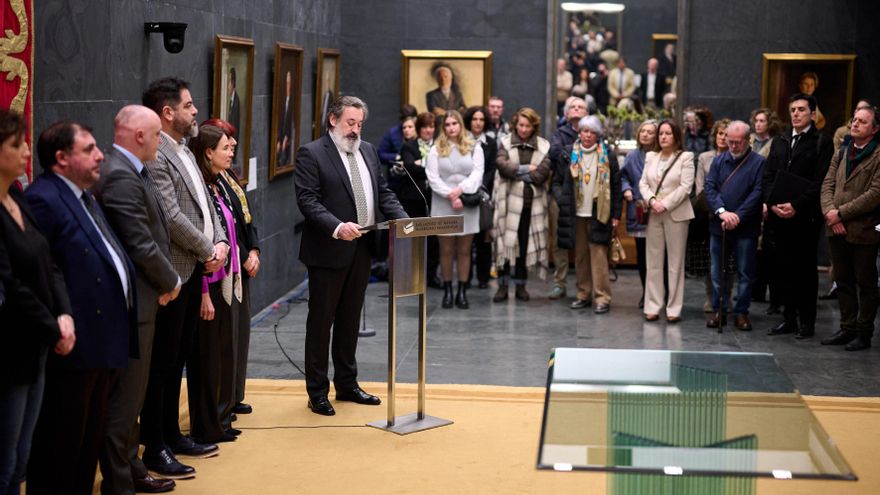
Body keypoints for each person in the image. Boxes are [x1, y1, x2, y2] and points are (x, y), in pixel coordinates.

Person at [25, 120, 137, 495]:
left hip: (103, 340)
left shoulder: (84, 195)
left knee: (87, 445)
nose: (100, 155)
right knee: (62, 447)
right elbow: (43, 270)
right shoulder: (44, 198)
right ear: (61, 158)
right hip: (75, 343)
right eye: (88, 149)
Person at [294, 95, 407, 416]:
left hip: (362, 247)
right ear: (333, 120)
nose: (356, 130)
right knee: (321, 322)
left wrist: (401, 218)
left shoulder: (368, 151)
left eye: (359, 124)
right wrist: (337, 226)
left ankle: (347, 384)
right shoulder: (312, 153)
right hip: (328, 249)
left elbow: (381, 191)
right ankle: (317, 391)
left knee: (349, 320)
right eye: (350, 123)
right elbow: (308, 200)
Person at [141, 77, 228, 479]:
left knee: (178, 360)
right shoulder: (157, 153)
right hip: (175, 269)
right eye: (189, 106)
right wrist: (208, 249)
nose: (196, 112)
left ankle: (174, 435)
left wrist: (222, 241)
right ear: (168, 112)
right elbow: (170, 214)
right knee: (163, 363)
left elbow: (208, 201)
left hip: (194, 269)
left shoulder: (186, 151)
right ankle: (154, 444)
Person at [94, 105, 181, 494]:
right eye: (158, 135)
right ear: (140, 135)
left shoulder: (131, 170)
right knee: (125, 401)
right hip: (134, 303)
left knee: (134, 395)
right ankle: (120, 482)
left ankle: (131, 468)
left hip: (143, 299)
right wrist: (171, 279)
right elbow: (139, 243)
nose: (161, 142)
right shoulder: (119, 175)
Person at [0, 110, 74, 495]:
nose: (27, 151)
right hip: (10, 348)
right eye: (17, 145)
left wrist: (63, 314)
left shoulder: (17, 196)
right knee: (4, 459)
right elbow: (9, 283)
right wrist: (52, 323)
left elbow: (49, 262)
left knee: (21, 457)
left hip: (38, 344)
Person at [201, 117, 261, 425]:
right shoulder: (209, 182)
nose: (233, 145)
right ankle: (221, 405)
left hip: (239, 263)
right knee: (223, 341)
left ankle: (233, 397)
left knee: (240, 334)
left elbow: (245, 218)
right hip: (217, 272)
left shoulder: (228, 178)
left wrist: (254, 250)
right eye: (227, 141)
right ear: (208, 150)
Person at [186, 125, 242, 444]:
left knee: (220, 355)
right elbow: (199, 238)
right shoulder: (203, 187)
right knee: (205, 360)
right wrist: (204, 291)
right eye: (225, 147)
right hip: (206, 282)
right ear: (208, 152)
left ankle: (220, 418)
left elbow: (224, 227)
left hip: (224, 276)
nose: (231, 150)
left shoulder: (219, 183)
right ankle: (206, 425)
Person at [764, 93, 833, 339]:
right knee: (783, 269)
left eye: (801, 109)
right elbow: (769, 176)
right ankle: (789, 318)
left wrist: (796, 205)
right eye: (793, 109)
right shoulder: (780, 140)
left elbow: (820, 181)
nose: (795, 113)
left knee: (804, 271)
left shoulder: (821, 142)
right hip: (778, 216)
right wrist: (772, 203)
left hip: (804, 217)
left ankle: (807, 322)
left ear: (812, 114)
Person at [820, 105, 880, 351]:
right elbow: (827, 184)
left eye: (862, 122)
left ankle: (864, 332)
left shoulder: (877, 154)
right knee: (842, 279)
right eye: (854, 120)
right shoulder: (842, 150)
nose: (855, 124)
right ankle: (847, 327)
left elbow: (875, 194)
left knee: (865, 282)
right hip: (836, 227)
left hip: (864, 229)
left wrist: (840, 213)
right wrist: (829, 212)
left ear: (874, 129)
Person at [703, 121, 766, 331]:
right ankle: (719, 309)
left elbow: (757, 193)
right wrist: (723, 212)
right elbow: (709, 188)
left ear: (748, 140)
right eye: (730, 141)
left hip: (746, 227)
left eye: (738, 142)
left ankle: (741, 312)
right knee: (716, 271)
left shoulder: (758, 162)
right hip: (719, 226)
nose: (733, 145)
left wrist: (738, 215)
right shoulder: (719, 161)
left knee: (745, 272)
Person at [557, 115, 621, 313]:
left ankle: (602, 297)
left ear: (598, 135)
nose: (588, 135)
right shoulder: (568, 153)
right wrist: (562, 199)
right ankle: (583, 293)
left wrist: (616, 215)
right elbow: (557, 182)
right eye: (585, 131)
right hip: (575, 213)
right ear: (580, 132)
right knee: (581, 256)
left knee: (599, 255)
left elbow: (616, 187)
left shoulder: (607, 156)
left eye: (592, 132)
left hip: (599, 213)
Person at [426, 110, 484, 309]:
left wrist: (460, 191)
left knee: (465, 250)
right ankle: (448, 290)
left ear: (461, 125)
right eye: (448, 124)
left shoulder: (474, 146)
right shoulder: (436, 148)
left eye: (454, 123)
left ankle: (462, 291)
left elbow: (478, 173)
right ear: (444, 128)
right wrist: (451, 195)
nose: (451, 127)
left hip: (466, 202)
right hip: (443, 203)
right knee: (446, 250)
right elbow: (433, 178)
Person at [638, 119, 695, 322]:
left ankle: (673, 309)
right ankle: (652, 306)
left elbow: (686, 187)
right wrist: (653, 201)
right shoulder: (651, 156)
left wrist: (665, 204)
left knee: (675, 263)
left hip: (676, 214)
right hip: (654, 214)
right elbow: (643, 183)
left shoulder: (686, 157)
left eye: (668, 133)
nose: (663, 137)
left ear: (676, 136)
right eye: (661, 133)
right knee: (653, 262)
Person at [493, 107, 550, 303]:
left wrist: (516, 171)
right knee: (505, 244)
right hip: (507, 204)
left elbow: (541, 174)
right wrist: (526, 169)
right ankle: (502, 285)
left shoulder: (543, 146)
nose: (524, 129)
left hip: (531, 205)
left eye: (527, 126)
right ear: (515, 125)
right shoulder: (505, 143)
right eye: (521, 125)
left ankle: (520, 286)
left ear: (534, 126)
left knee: (524, 246)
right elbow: (501, 166)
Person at [548, 98, 588, 300]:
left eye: (581, 107)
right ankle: (559, 282)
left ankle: (584, 285)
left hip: (587, 195)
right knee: (559, 241)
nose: (577, 109)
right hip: (561, 193)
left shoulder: (594, 134)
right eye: (573, 107)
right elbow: (554, 153)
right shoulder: (559, 134)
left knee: (584, 241)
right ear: (565, 114)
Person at [692, 119, 730, 312]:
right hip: (708, 214)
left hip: (730, 214)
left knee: (729, 259)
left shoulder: (737, 157)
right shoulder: (705, 157)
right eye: (720, 134)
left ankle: (727, 297)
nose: (723, 138)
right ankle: (711, 296)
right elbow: (700, 187)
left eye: (726, 134)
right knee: (710, 258)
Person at [399, 112, 441, 288]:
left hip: (435, 199)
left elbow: (444, 169)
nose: (428, 130)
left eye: (431, 127)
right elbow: (409, 168)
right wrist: (430, 166)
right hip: (413, 198)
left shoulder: (440, 146)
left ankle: (432, 275)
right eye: (424, 127)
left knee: (434, 240)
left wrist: (421, 163)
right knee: (414, 238)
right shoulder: (409, 146)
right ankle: (413, 276)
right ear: (419, 129)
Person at [748, 108, 784, 313]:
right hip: (750, 196)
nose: (758, 124)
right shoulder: (749, 141)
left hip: (767, 196)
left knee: (767, 250)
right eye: (756, 120)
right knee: (752, 246)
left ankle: (772, 294)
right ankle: (755, 288)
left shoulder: (775, 143)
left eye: (762, 121)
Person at [621, 120, 659, 308]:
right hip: (638, 211)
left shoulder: (662, 155)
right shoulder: (632, 156)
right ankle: (646, 293)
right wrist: (626, 189)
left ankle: (659, 293)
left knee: (659, 257)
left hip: (659, 210)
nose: (645, 134)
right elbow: (623, 176)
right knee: (643, 257)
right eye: (642, 131)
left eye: (650, 132)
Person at [464, 106, 497, 289]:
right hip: (466, 194)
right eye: (475, 119)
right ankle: (465, 277)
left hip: (484, 194)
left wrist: (481, 185)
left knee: (484, 238)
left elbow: (492, 168)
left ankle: (483, 278)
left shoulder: (491, 142)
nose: (478, 123)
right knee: (467, 239)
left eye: (481, 119)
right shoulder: (462, 141)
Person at [275, 70, 296, 168]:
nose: (288, 85)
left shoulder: (293, 102)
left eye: (290, 83)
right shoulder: (283, 101)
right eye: (287, 83)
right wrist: (279, 139)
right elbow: (281, 122)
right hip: (281, 136)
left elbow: (291, 124)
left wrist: (286, 138)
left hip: (288, 138)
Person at [227, 67, 242, 165]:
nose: (227, 86)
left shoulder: (236, 102)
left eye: (228, 82)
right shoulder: (230, 100)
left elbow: (235, 128)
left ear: (232, 83)